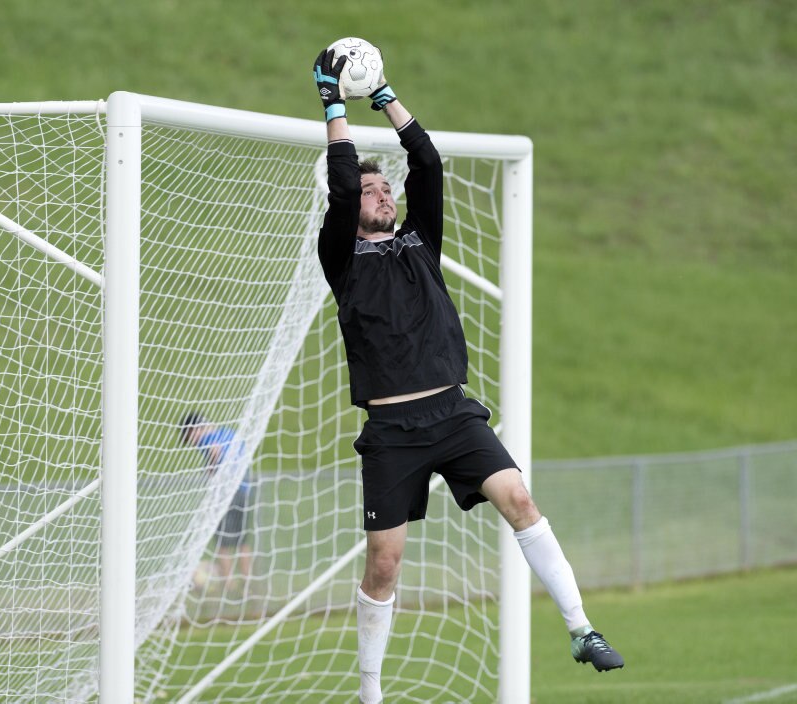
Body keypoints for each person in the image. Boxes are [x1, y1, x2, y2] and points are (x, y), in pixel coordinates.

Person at [311, 47, 624, 703]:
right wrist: (332, 105)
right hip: (393, 431)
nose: (382, 193)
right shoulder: (340, 257)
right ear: (346, 206)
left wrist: (384, 96)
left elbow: (425, 163)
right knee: (385, 563)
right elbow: (343, 185)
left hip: (454, 415)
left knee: (521, 502)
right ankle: (371, 690)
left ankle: (581, 627)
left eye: (383, 188)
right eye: (371, 191)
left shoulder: (422, 242)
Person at [179, 411, 254, 592]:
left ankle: (228, 585)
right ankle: (248, 584)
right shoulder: (229, 433)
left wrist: (212, 469)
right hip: (244, 489)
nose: (193, 442)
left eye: (190, 437)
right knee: (242, 540)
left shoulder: (207, 439)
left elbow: (215, 451)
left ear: (194, 430)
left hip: (227, 492)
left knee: (223, 543)